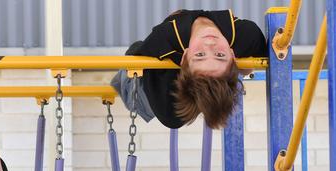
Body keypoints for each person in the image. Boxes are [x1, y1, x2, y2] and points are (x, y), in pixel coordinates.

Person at [111, 9, 267, 129]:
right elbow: (246, 69)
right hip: (149, 85)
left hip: (169, 87)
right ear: (233, 54)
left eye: (200, 55)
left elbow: (247, 67)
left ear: (184, 57)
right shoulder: (247, 35)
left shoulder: (165, 38)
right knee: (173, 117)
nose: (210, 45)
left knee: (173, 117)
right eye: (220, 55)